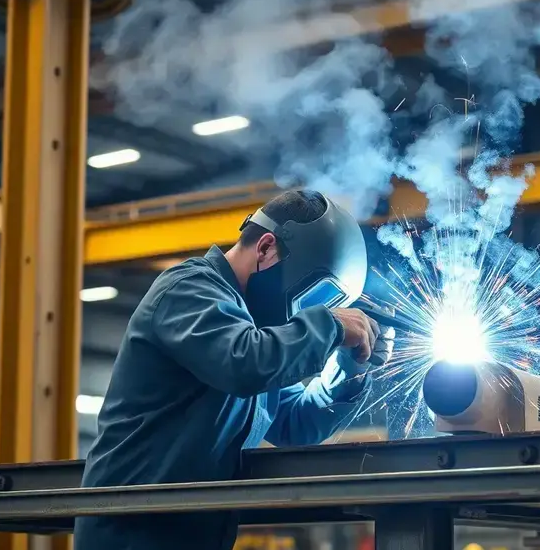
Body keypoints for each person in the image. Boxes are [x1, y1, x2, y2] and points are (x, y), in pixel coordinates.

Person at [74, 190, 393, 550]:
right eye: (313, 298)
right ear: (266, 248)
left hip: (187, 534)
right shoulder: (188, 289)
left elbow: (296, 422)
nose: (306, 313)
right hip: (130, 533)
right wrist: (331, 325)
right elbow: (244, 363)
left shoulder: (254, 334)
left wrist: (350, 368)